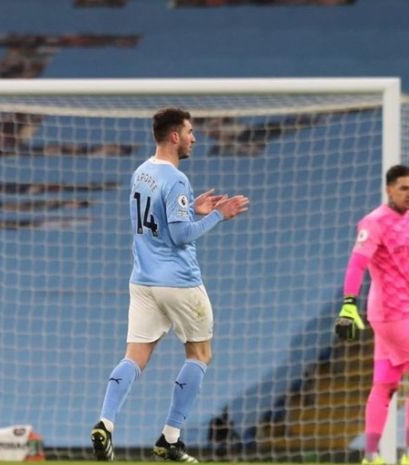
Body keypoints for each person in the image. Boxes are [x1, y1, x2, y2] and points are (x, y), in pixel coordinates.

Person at [90, 108, 249, 462]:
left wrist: (192, 209)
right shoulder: (176, 178)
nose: (195, 138)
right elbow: (178, 236)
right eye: (190, 132)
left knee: (135, 357)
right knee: (200, 354)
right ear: (175, 136)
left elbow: (155, 223)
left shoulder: (141, 172)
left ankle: (105, 422)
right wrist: (219, 216)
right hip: (178, 281)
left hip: (142, 281)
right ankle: (170, 437)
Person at [335, 165, 409, 465]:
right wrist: (349, 304)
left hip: (407, 312)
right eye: (404, 188)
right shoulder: (374, 222)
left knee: (385, 384)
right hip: (390, 313)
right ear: (389, 189)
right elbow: (357, 265)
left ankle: (370, 457)